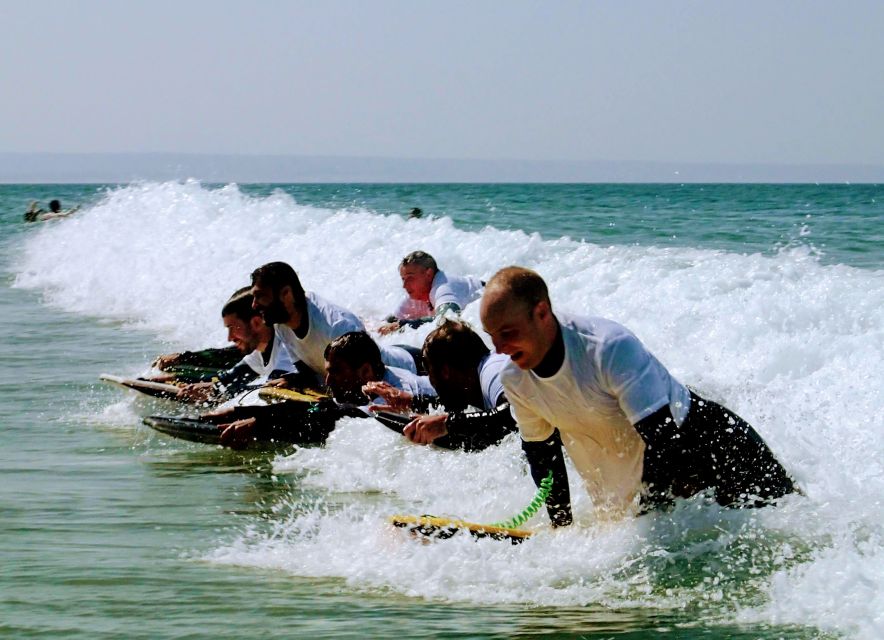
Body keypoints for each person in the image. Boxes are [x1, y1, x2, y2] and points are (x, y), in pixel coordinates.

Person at [479, 266, 796, 526]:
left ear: (542, 312)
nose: (499, 349)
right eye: (492, 336)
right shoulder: (515, 378)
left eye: (508, 333)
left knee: (792, 527)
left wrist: (644, 526)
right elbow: (543, 457)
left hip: (719, 451)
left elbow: (663, 441)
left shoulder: (607, 348)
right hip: (665, 469)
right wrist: (562, 528)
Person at [214, 331, 433, 449]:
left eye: (336, 372)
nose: (328, 380)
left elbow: (335, 417)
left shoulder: (392, 394)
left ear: (366, 371)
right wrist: (243, 412)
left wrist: (260, 424)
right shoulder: (369, 382)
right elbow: (328, 408)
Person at [249, 262, 418, 387]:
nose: (254, 305)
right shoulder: (281, 324)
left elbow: (371, 379)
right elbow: (309, 373)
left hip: (411, 368)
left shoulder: (336, 325)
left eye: (260, 296)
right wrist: (294, 380)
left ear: (286, 293)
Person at [368, 320, 517, 451]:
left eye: (429, 374)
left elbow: (514, 414)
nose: (431, 381)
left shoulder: (493, 371)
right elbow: (463, 409)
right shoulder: (479, 379)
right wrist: (412, 402)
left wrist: (446, 424)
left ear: (445, 371)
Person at [174, 287, 296, 403]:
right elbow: (232, 378)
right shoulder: (261, 351)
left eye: (233, 328)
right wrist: (200, 387)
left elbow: (274, 392)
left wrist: (217, 394)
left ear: (256, 323)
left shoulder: (287, 348)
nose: (230, 337)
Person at [378, 251, 484, 335]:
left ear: (428, 274)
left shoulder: (442, 287)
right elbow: (393, 319)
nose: (405, 285)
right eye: (403, 279)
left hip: (493, 295)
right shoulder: (416, 296)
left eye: (410, 278)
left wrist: (405, 324)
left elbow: (448, 320)